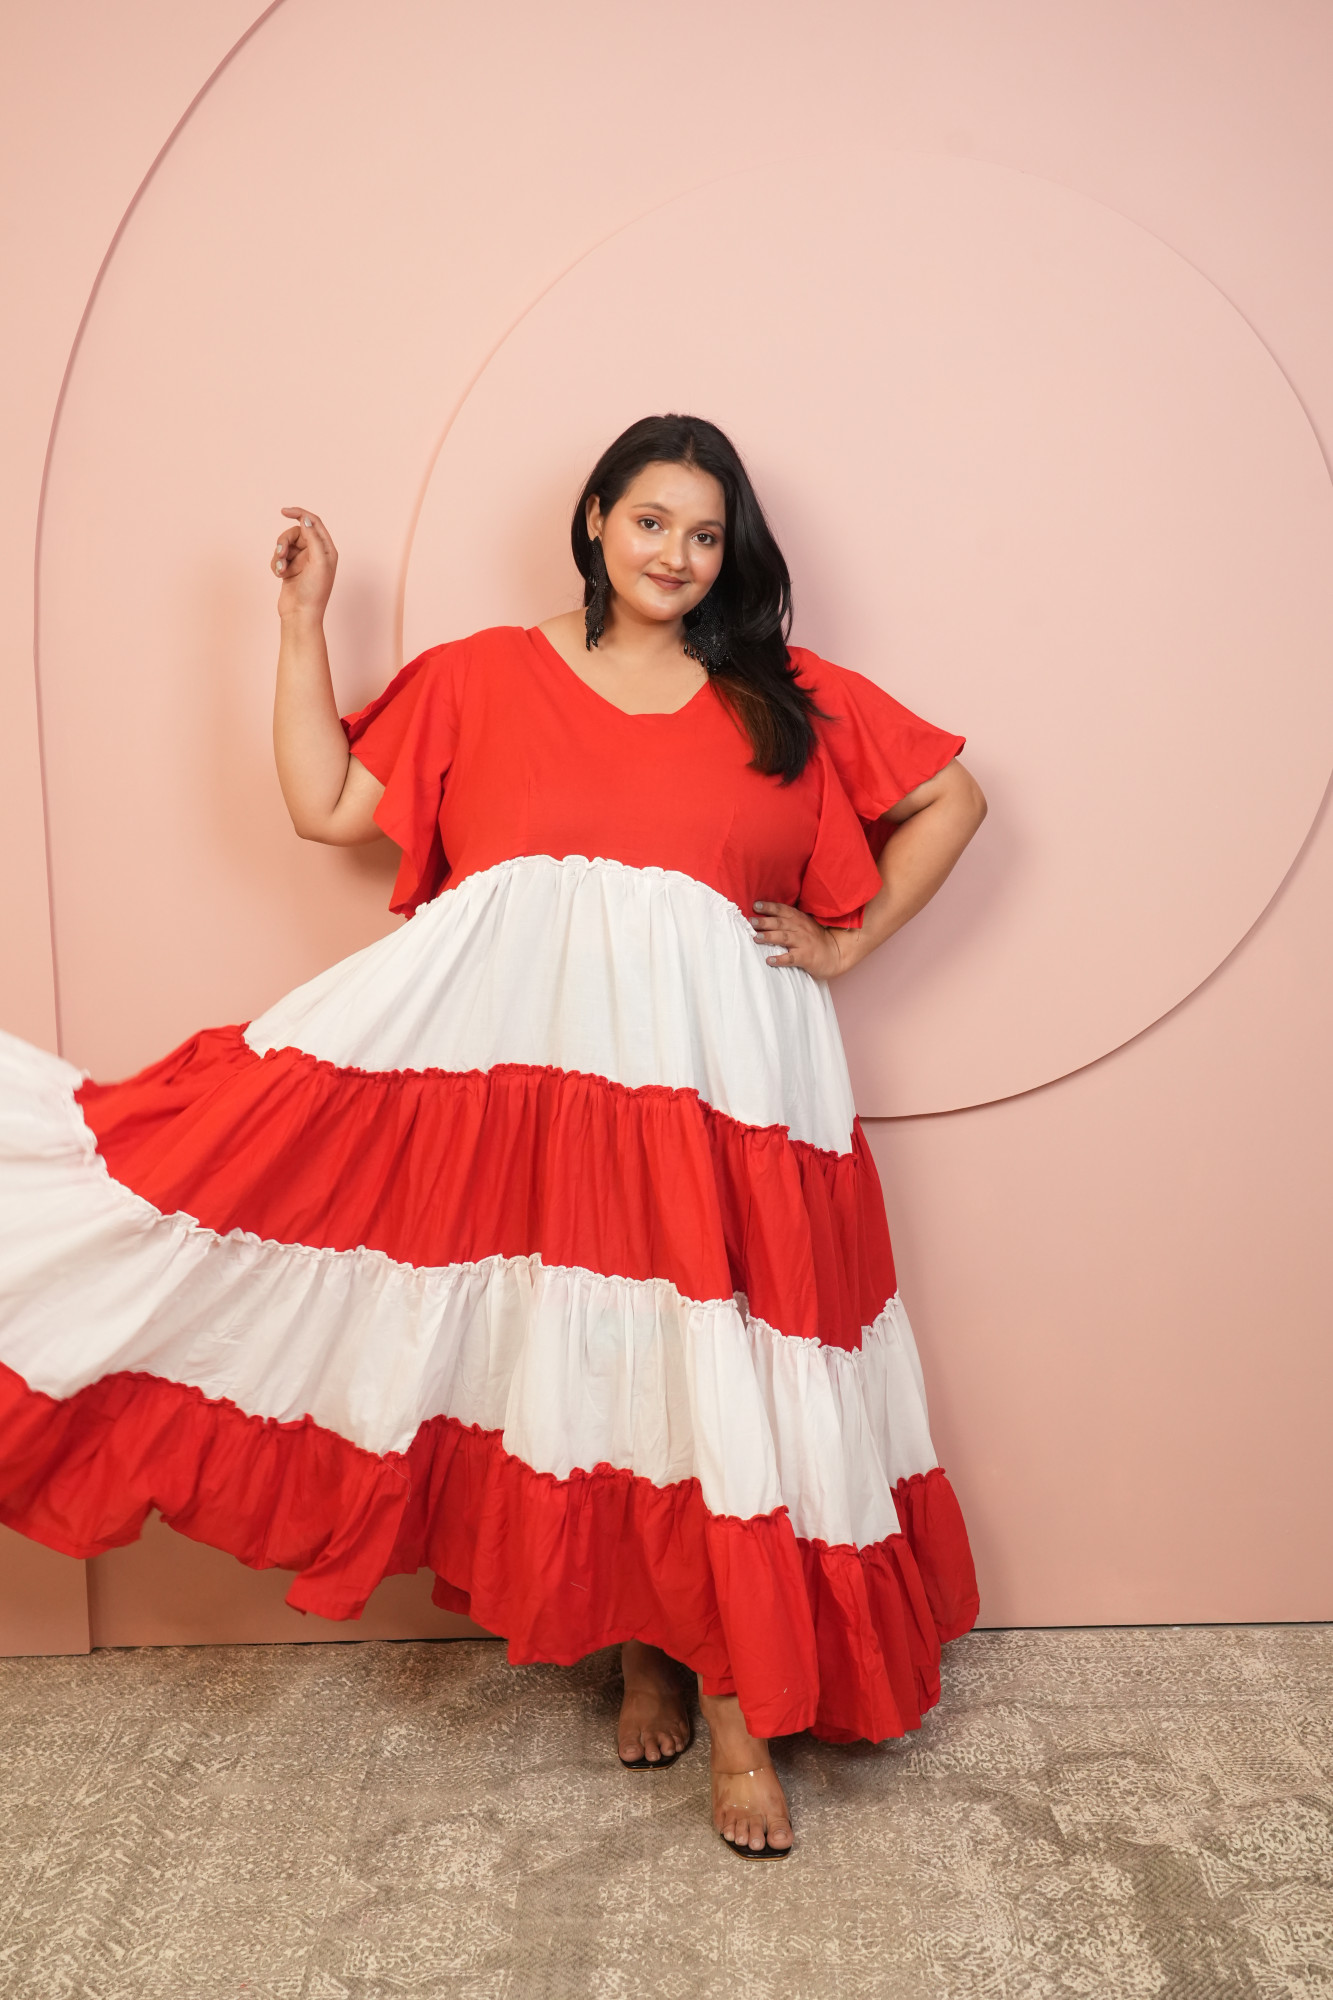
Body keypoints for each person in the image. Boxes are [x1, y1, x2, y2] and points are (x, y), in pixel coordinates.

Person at [0, 414, 986, 1859]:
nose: (677, 555)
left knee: (720, 1361)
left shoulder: (779, 695)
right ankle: (644, 1646)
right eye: (651, 522)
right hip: (539, 1101)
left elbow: (951, 798)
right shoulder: (478, 676)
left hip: (729, 1098)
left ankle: (732, 1712)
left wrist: (846, 945)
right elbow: (325, 803)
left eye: (705, 535)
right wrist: (299, 620)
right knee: (589, 1355)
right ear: (594, 521)